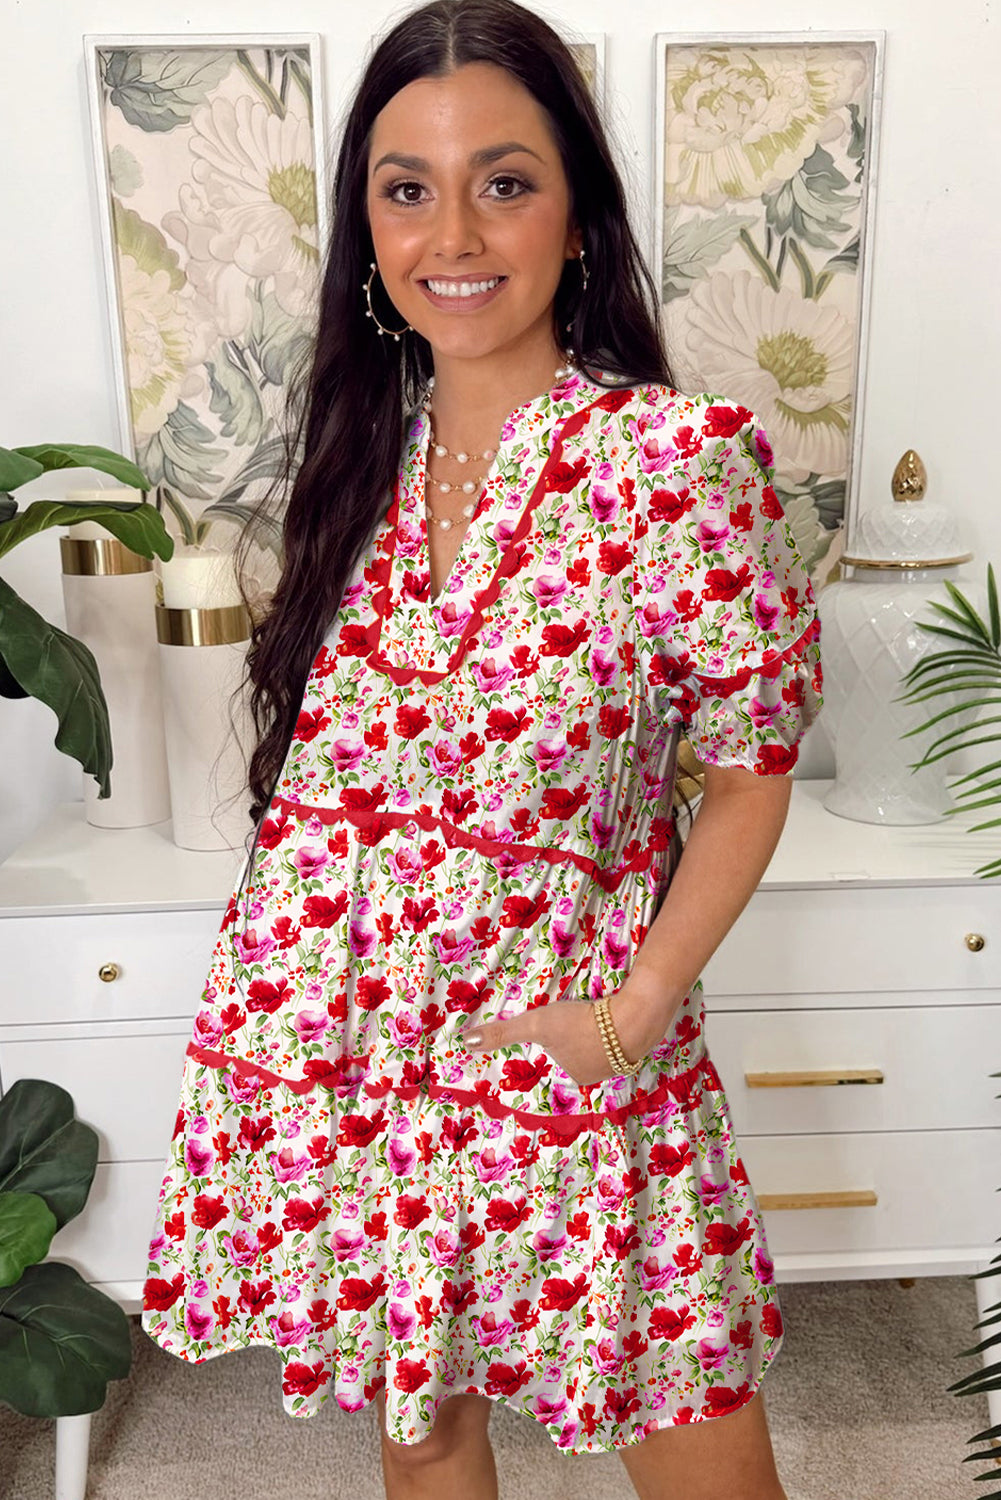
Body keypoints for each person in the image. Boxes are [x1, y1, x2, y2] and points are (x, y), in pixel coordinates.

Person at [141, 3, 823, 1497]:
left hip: (573, 1061)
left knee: (700, 1456)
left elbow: (751, 765)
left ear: (577, 215)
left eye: (503, 181)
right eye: (405, 188)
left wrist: (632, 1014)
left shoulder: (675, 462)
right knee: (429, 1438)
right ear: (364, 228)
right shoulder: (351, 468)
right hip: (359, 1066)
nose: (452, 230)